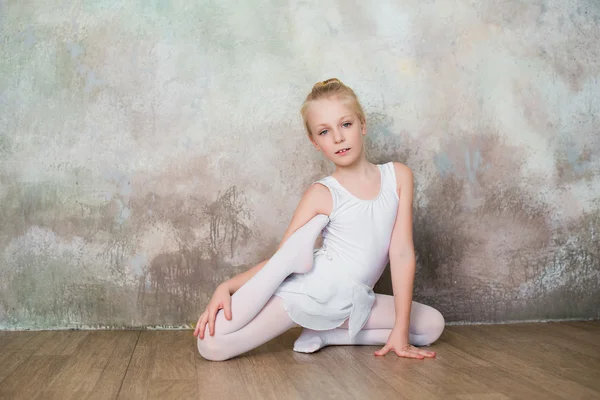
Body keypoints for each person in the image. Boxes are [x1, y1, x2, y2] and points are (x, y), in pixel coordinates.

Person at [194, 78, 445, 362]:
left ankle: (326, 334)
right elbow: (277, 260)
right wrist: (226, 286)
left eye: (346, 125)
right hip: (310, 292)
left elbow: (401, 253)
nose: (338, 138)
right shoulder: (322, 193)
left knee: (431, 326)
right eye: (325, 132)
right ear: (315, 142)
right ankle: (300, 264)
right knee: (211, 346)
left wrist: (400, 329)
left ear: (362, 124)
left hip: (354, 301)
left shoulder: (398, 176)